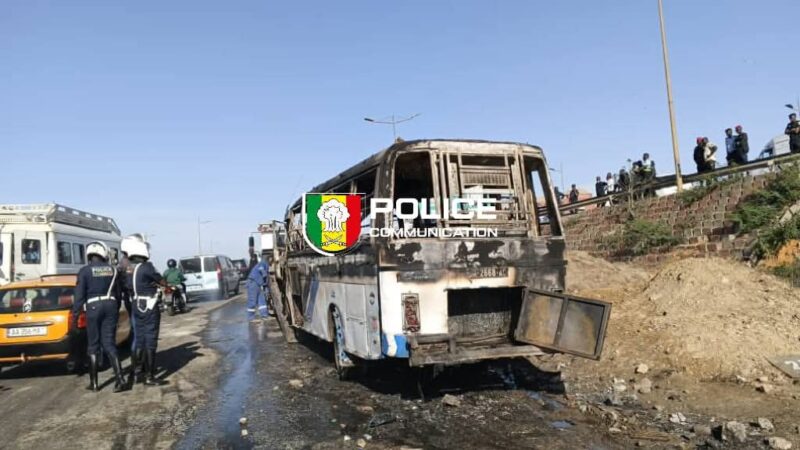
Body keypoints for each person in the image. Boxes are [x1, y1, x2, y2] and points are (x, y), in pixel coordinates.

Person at [71, 241, 127, 392]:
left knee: (93, 345)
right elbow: (118, 293)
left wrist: (75, 317)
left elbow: (79, 296)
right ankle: (120, 379)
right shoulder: (113, 270)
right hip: (111, 305)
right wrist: (115, 308)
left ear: (89, 255)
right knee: (109, 343)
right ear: (103, 254)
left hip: (93, 307)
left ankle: (94, 383)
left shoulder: (84, 271)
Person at [122, 234, 164, 387]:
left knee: (139, 339)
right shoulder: (147, 267)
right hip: (149, 306)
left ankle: (135, 374)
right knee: (151, 340)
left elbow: (127, 286)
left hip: (136, 305)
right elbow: (162, 280)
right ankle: (149, 376)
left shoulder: (129, 268)